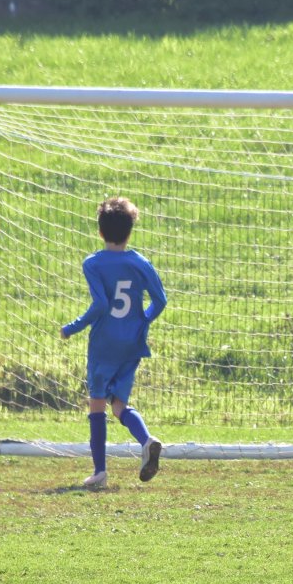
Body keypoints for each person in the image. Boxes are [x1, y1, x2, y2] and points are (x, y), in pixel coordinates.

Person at [60, 197, 167, 490]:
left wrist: (72, 327)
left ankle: (99, 472)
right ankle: (146, 440)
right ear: (130, 232)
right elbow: (160, 300)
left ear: (100, 231)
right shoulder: (140, 263)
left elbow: (100, 305)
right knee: (119, 405)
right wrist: (141, 321)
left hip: (104, 343)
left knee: (97, 404)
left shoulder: (93, 263)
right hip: (132, 342)